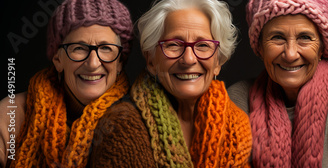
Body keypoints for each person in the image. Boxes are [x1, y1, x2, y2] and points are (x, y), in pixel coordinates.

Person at [227, 0, 328, 167]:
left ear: (322, 47)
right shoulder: (239, 100)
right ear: (260, 47)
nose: (290, 54)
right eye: (277, 37)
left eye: (304, 37)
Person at [0, 0, 142, 167]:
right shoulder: (13, 112)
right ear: (58, 60)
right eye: (79, 48)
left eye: (106, 48)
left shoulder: (139, 119)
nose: (93, 63)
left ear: (119, 62)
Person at [121, 0, 252, 166]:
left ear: (218, 62)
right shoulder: (122, 126)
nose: (189, 59)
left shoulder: (237, 126)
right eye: (174, 45)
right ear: (151, 61)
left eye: (203, 45)